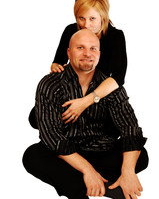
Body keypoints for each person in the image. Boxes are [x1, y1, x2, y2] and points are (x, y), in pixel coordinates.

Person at [23, 29, 148, 199]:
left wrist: (128, 172)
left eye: (93, 49)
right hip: (67, 154)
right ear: (68, 52)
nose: (87, 54)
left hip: (99, 149)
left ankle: (88, 180)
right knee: (33, 156)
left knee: (141, 157)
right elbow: (51, 136)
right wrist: (87, 170)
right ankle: (92, 187)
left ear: (99, 54)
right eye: (80, 48)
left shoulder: (109, 86)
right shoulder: (50, 83)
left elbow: (130, 127)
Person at [29, 0, 127, 128]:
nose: (85, 25)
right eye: (81, 18)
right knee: (36, 117)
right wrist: (56, 67)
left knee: (113, 125)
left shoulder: (116, 37)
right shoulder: (71, 30)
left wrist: (85, 102)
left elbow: (118, 78)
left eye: (92, 19)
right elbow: (58, 62)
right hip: (73, 90)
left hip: (99, 96)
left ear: (103, 16)